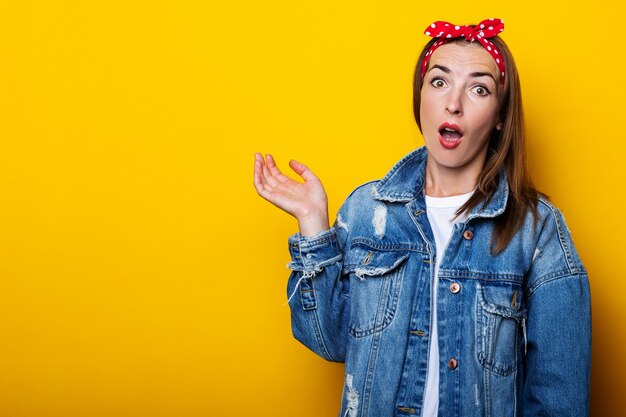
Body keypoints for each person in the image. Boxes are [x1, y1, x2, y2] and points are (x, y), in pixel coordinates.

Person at [253, 18, 591, 417]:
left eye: (479, 88)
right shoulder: (366, 211)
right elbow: (329, 341)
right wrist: (313, 223)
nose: (454, 103)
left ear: (500, 116)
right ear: (420, 98)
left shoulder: (536, 231)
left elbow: (559, 398)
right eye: (439, 81)